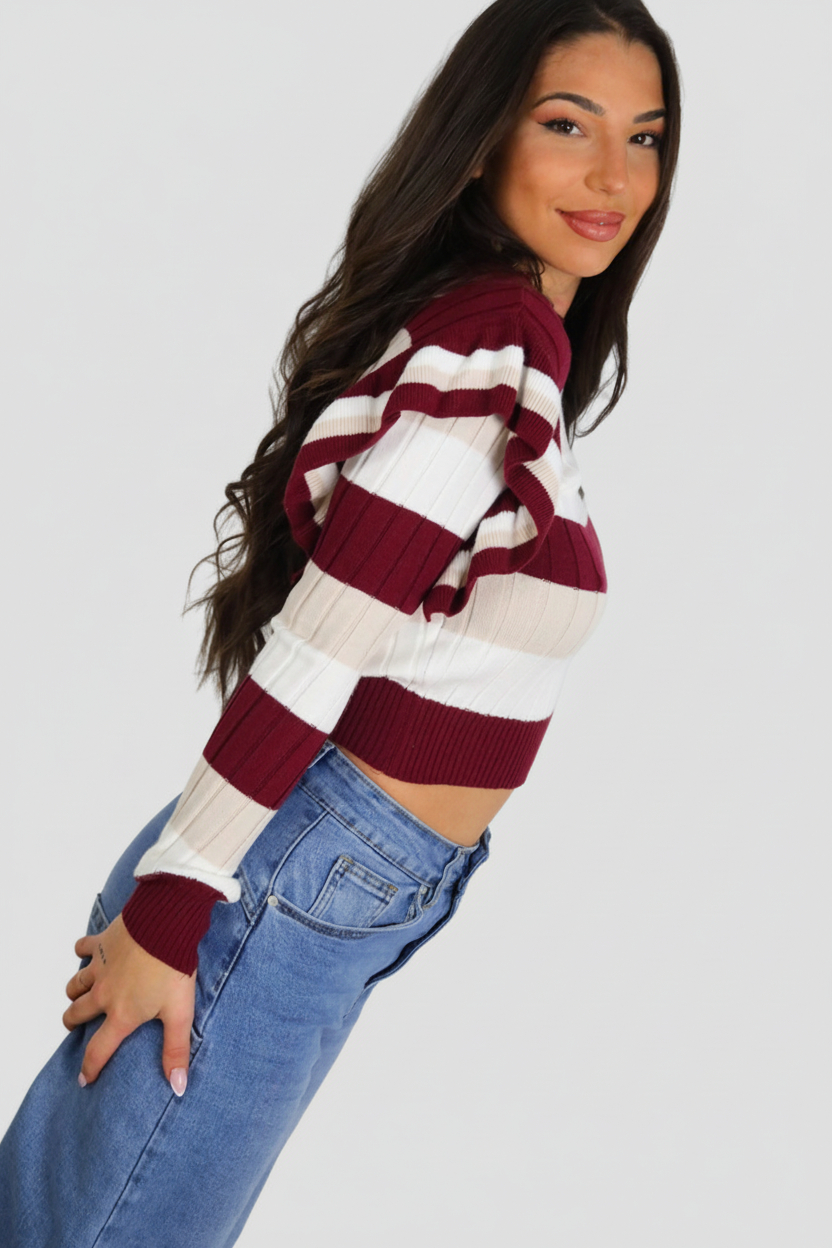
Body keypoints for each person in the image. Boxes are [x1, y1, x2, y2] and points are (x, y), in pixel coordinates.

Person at [0, 0, 681, 1243]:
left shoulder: (511, 346)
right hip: (274, 881)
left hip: (334, 882)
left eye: (644, 136)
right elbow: (318, 647)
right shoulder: (486, 345)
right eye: (566, 125)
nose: (612, 176)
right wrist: (172, 908)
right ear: (481, 141)